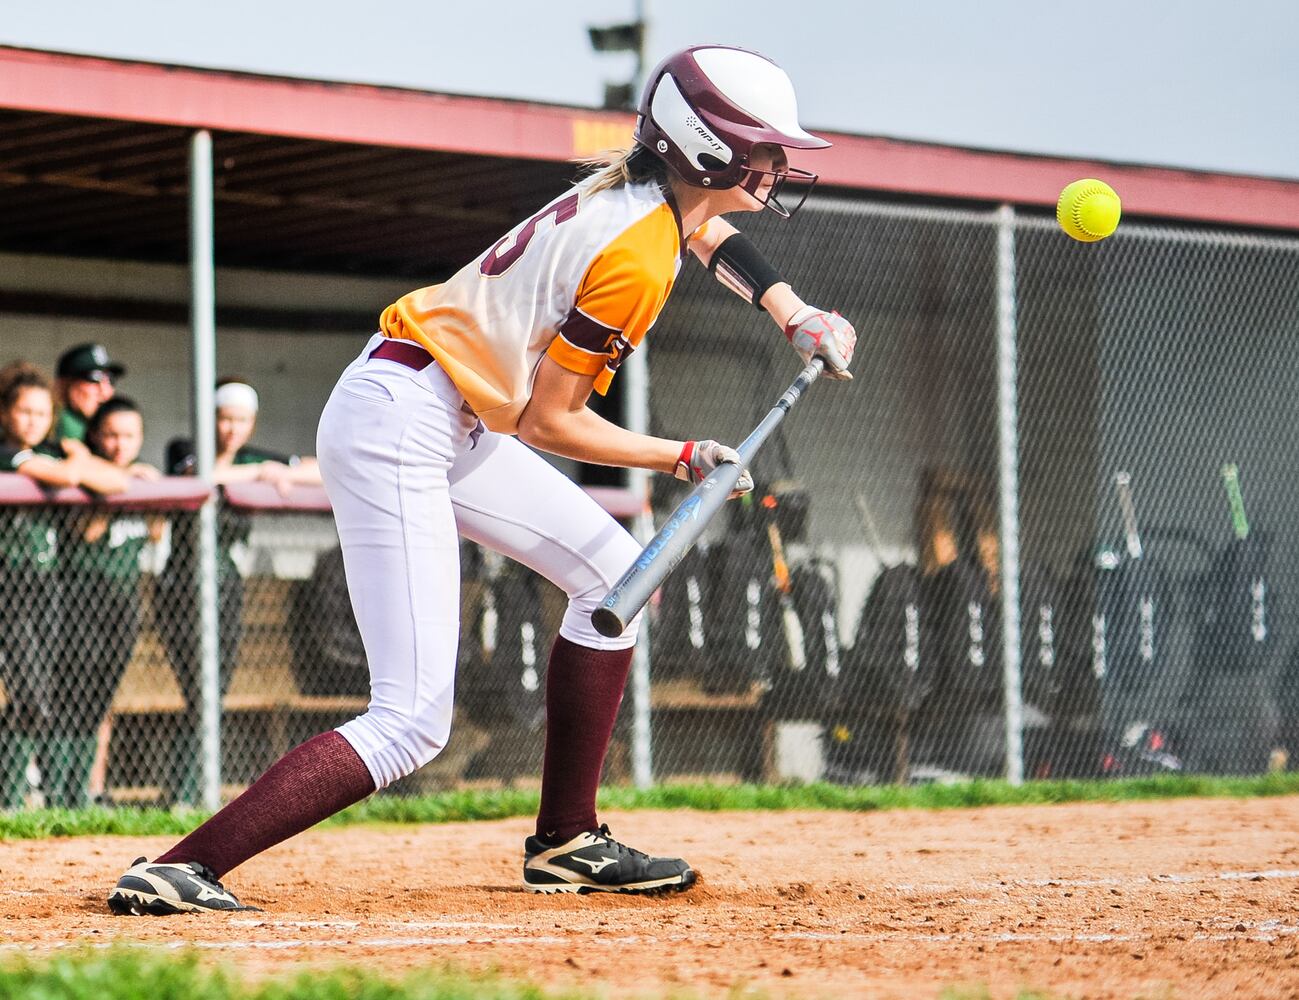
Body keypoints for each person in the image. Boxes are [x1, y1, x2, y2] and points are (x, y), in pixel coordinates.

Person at [108, 44, 855, 914]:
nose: (774, 165)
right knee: (412, 718)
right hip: (406, 420)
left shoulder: (647, 198)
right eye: (758, 149)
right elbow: (548, 423)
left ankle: (566, 840)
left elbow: (708, 230)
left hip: (439, 410)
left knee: (615, 575)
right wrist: (683, 455)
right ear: (705, 150)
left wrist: (793, 312)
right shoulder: (639, 253)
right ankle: (180, 867)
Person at [156, 378, 323, 807]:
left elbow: (319, 468)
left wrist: (280, 470)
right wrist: (260, 473)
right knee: (197, 688)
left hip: (226, 582)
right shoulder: (184, 446)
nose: (232, 429)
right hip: (182, 582)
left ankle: (192, 792)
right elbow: (204, 475)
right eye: (225, 419)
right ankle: (182, 792)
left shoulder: (253, 455)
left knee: (216, 688)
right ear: (210, 417)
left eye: (242, 421)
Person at [0, 362, 128, 809]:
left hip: (46, 586)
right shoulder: (8, 453)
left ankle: (44, 797)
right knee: (29, 693)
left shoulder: (52, 449)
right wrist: (77, 460)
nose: (33, 421)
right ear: (4, 414)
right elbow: (69, 476)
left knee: (48, 695)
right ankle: (9, 798)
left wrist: (78, 460)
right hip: (11, 586)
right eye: (23, 412)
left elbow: (116, 479)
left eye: (41, 414)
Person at [51, 397, 162, 807]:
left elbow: (153, 533)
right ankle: (62, 792)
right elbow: (90, 532)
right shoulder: (93, 476)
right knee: (73, 696)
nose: (120, 444)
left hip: (124, 603)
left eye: (129, 436)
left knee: (100, 697)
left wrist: (146, 487)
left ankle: (83, 792)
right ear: (97, 436)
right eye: (111, 435)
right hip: (83, 598)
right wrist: (117, 481)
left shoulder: (141, 475)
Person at [53, 343, 125, 444]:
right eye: (94, 378)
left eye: (110, 379)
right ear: (62, 385)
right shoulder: (55, 422)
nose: (105, 391)